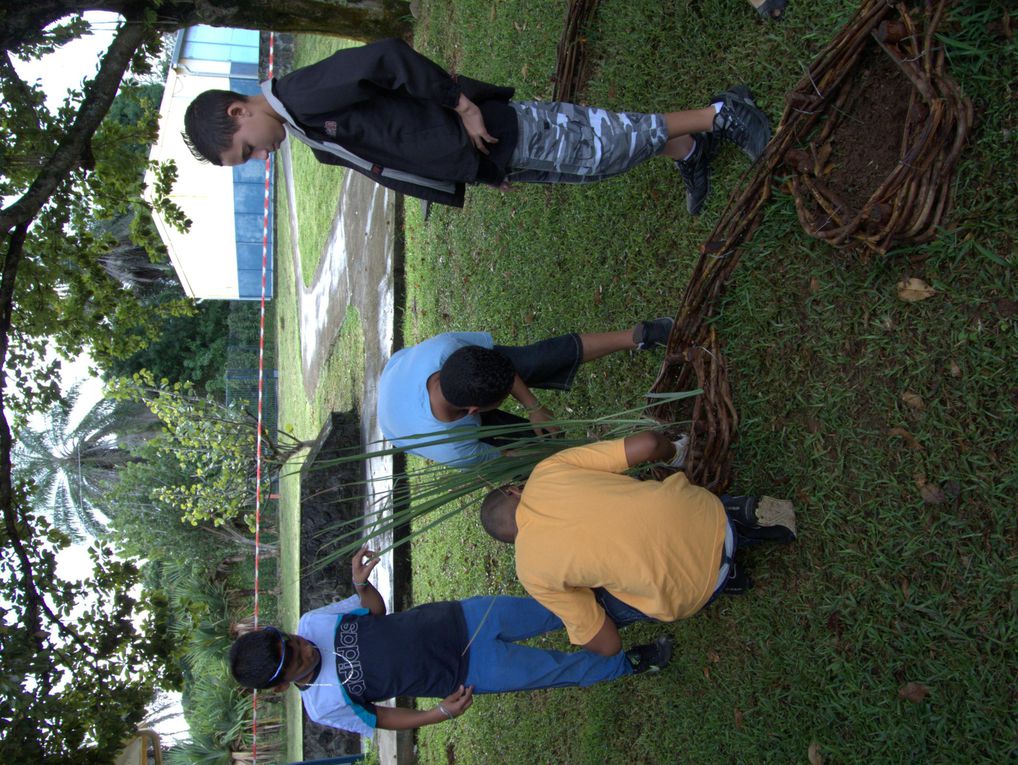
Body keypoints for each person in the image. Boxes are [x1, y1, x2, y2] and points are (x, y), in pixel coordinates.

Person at [182, 38, 772, 215]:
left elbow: (387, 59)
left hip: (490, 127)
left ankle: (722, 113)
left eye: (245, 152)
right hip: (487, 157)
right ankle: (687, 148)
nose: (260, 158)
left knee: (601, 142)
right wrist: (480, 178)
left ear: (240, 113)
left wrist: (461, 103)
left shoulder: (303, 95)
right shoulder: (311, 139)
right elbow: (393, 165)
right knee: (592, 166)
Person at [228, 546, 673, 736]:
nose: (305, 648)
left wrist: (361, 586)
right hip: (465, 673)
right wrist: (438, 714)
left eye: (292, 641)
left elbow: (375, 614)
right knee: (556, 668)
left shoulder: (312, 622)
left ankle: (633, 598)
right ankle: (628, 662)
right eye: (295, 660)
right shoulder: (322, 705)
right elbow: (380, 719)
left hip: (462, 616)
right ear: (283, 686)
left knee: (556, 608)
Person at [479, 431, 797, 655]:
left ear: (513, 542)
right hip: (704, 512)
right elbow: (647, 444)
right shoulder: (546, 472)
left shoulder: (531, 571)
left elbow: (608, 644)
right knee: (661, 511)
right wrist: (678, 452)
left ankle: (727, 577)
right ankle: (740, 515)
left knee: (598, 607)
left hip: (692, 592)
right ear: (513, 491)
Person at [376, 319, 673, 468]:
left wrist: (533, 406)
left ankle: (636, 336)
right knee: (537, 451)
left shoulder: (447, 349)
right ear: (474, 411)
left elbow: (503, 367)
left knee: (531, 361)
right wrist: (579, 448)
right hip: (402, 426)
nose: (515, 390)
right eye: (506, 394)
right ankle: (603, 453)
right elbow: (509, 454)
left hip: (399, 373)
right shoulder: (453, 448)